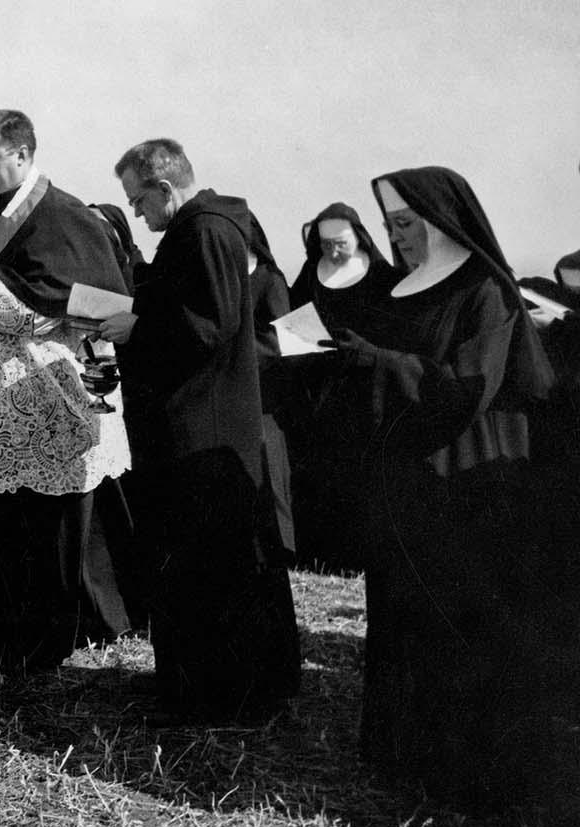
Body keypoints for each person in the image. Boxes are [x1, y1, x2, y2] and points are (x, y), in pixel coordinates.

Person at [335, 166, 570, 810]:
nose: (395, 236)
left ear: (441, 222)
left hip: (466, 476)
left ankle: (464, 771)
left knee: (459, 617)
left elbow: (464, 388)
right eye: (387, 225)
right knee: (406, 611)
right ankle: (404, 753)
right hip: (410, 478)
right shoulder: (404, 288)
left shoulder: (484, 291)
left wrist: (373, 361)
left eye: (405, 224)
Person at [0, 109, 137, 672]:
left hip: (36, 397)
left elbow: (62, 306)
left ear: (22, 153)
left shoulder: (63, 215)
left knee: (36, 521)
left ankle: (39, 633)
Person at [101, 138, 300, 721]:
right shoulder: (206, 228)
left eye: (139, 201)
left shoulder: (204, 231)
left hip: (202, 424)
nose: (137, 213)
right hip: (201, 422)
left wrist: (135, 330)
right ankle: (201, 685)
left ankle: (216, 693)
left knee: (209, 566)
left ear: (166, 189)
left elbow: (209, 326)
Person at [285, 203, 400, 571]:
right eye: (325, 244)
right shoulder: (311, 272)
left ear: (359, 236)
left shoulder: (382, 276)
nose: (333, 251)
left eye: (340, 243)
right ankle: (323, 555)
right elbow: (293, 316)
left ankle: (358, 556)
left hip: (365, 388)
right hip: (319, 386)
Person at [246, 214, 295, 562]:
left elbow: (282, 340)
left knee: (272, 475)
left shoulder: (269, 278)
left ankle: (284, 552)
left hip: (265, 392)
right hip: (238, 390)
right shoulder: (228, 277)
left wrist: (239, 349)